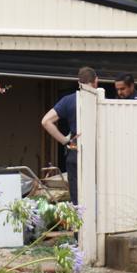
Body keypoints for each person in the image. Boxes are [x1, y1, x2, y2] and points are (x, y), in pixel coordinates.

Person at [41, 67, 98, 205]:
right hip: (97, 153)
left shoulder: (69, 100)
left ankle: (80, 223)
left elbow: (46, 121)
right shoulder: (100, 100)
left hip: (75, 152)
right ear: (96, 81)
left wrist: (65, 141)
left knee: (77, 198)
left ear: (79, 82)